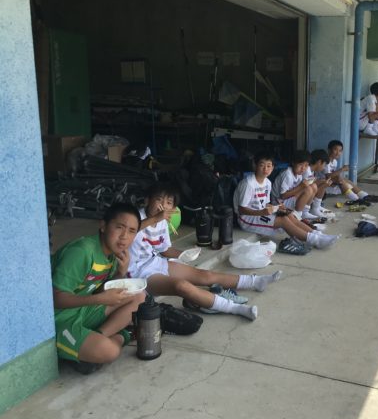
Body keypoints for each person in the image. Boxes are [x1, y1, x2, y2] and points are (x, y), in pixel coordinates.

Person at [128, 183, 277, 320]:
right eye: (159, 199)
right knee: (181, 286)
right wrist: (155, 219)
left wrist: (184, 254)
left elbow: (165, 249)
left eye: (168, 202)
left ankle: (255, 281)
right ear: (147, 200)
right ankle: (235, 308)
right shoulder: (136, 217)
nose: (163, 205)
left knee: (206, 275)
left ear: (173, 207)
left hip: (155, 263)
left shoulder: (162, 222)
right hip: (137, 272)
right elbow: (130, 230)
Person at [52, 203, 147, 374]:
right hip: (58, 320)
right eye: (119, 227)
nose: (124, 236)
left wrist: (120, 273)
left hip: (82, 310)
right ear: (103, 226)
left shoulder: (112, 255)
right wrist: (99, 299)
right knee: (110, 351)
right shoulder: (82, 252)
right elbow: (56, 299)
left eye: (132, 231)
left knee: (139, 296)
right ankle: (122, 335)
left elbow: (100, 289)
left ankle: (98, 337)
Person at [235, 151, 339, 250]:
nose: (265, 169)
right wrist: (262, 212)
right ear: (255, 165)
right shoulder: (248, 184)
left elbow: (265, 204)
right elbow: (241, 210)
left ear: (272, 167)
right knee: (283, 220)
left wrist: (277, 207)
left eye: (269, 166)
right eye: (262, 165)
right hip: (247, 218)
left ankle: (317, 234)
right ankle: (315, 240)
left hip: (260, 213)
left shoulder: (267, 182)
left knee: (288, 215)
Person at [271, 150, 317, 220]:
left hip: (287, 198)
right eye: (300, 164)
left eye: (306, 165)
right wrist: (300, 187)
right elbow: (283, 196)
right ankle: (298, 215)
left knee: (313, 186)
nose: (303, 168)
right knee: (308, 189)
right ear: (293, 163)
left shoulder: (298, 174)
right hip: (278, 202)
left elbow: (297, 189)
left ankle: (305, 212)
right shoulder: (287, 174)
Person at [301, 149, 335, 218]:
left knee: (323, 183)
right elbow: (308, 187)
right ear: (319, 162)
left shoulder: (312, 170)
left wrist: (323, 182)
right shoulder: (307, 170)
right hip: (300, 195)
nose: (324, 167)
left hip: (304, 193)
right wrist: (323, 182)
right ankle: (307, 211)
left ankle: (317, 207)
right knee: (318, 185)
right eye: (324, 164)